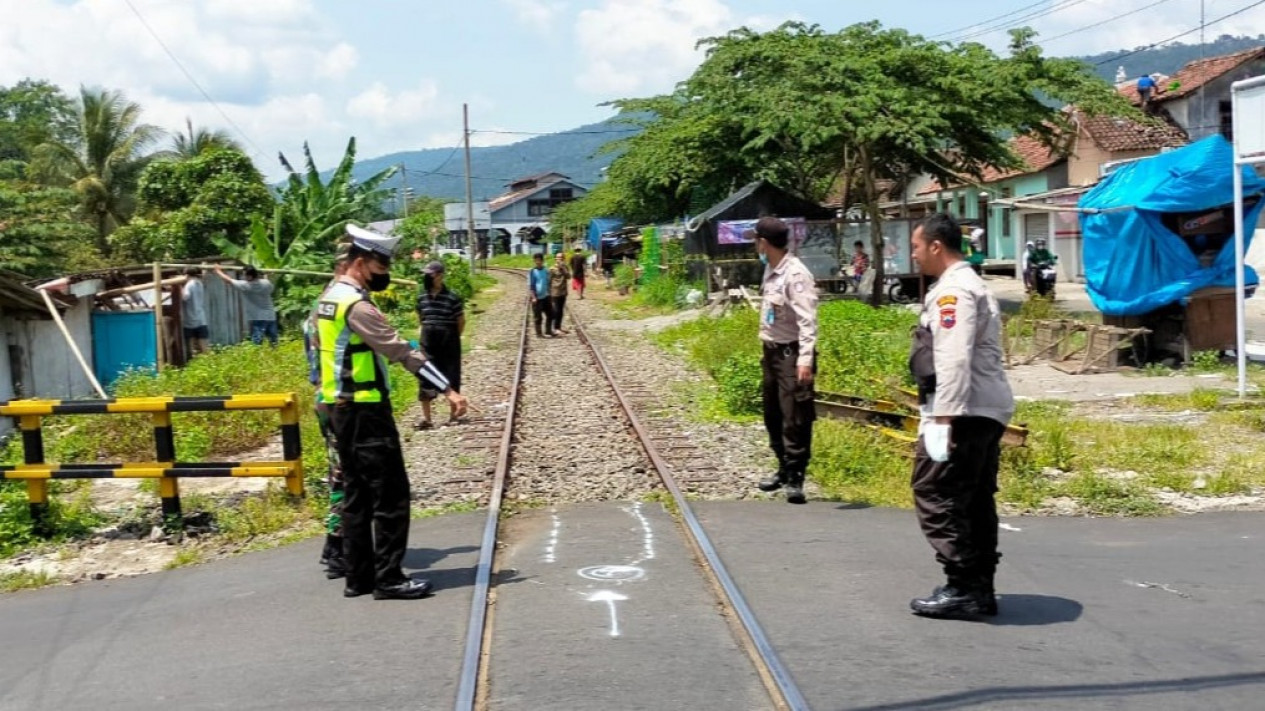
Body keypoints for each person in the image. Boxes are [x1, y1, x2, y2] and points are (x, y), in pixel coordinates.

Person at [318, 224, 468, 600]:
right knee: (391, 496)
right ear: (360, 263)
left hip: (339, 406)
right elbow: (401, 351)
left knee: (355, 495)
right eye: (380, 267)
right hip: (365, 410)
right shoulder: (358, 306)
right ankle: (389, 578)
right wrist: (447, 388)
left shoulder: (328, 298)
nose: (385, 273)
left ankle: (359, 578)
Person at [907, 212, 1015, 618]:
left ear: (936, 246)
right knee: (973, 498)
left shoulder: (954, 292)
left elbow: (952, 357)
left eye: (917, 247)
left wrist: (943, 418)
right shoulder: (967, 285)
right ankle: (978, 588)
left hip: (964, 410)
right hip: (983, 407)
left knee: (935, 492)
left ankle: (963, 583)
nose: (914, 255)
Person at [751, 216, 818, 505]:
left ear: (764, 242)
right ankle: (782, 466)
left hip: (792, 355)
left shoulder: (795, 274)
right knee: (773, 414)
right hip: (772, 352)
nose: (755, 244)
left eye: (756, 239)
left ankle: (796, 478)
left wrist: (805, 360)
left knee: (795, 417)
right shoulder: (771, 269)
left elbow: (808, 322)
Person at [304, 242, 352, 579]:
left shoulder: (321, 303)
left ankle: (334, 546)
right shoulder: (336, 303)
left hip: (325, 396)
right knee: (345, 475)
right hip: (337, 399)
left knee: (341, 472)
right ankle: (338, 549)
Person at [414, 260, 466, 430]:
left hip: (449, 340)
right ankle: (427, 419)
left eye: (431, 274)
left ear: (440, 276)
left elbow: (460, 321)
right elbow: (420, 318)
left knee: (451, 375)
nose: (427, 277)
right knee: (425, 375)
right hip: (428, 340)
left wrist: (452, 337)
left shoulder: (453, 297)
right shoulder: (421, 297)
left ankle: (453, 415)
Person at [214, 264, 278, 346]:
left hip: (258, 317)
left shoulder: (246, 285)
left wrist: (218, 271)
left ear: (250, 276)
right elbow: (269, 286)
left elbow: (228, 280)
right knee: (273, 342)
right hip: (270, 316)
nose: (243, 277)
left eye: (244, 275)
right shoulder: (266, 283)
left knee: (257, 343)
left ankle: (256, 357)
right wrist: (267, 275)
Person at [181, 267, 210, 357]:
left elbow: (185, 297)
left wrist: (179, 288)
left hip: (190, 320)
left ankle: (195, 365)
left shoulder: (189, 285)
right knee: (204, 347)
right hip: (201, 319)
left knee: (192, 349)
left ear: (187, 275)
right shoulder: (199, 283)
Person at [528, 252, 553, 337]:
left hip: (546, 296)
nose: (538, 262)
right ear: (534, 261)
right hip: (537, 298)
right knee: (538, 317)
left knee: (550, 314)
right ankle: (539, 333)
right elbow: (531, 286)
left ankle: (548, 331)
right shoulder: (532, 271)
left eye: (539, 260)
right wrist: (533, 297)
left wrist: (550, 294)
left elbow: (549, 282)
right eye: (536, 260)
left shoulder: (546, 270)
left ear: (542, 261)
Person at [549, 251, 571, 335]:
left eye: (561, 258)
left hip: (563, 292)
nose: (559, 259)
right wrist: (548, 292)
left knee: (561, 311)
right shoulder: (552, 269)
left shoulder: (565, 267)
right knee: (557, 310)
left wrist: (563, 268)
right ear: (555, 259)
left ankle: (558, 327)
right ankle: (555, 328)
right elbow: (549, 280)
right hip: (555, 292)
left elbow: (569, 276)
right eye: (558, 258)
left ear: (564, 259)